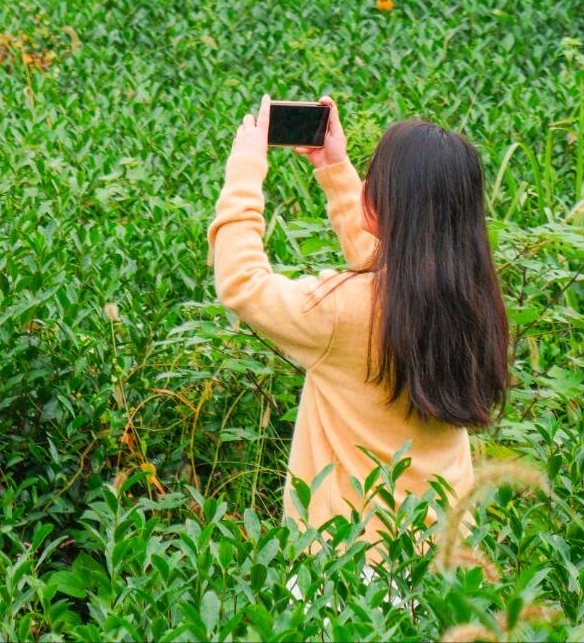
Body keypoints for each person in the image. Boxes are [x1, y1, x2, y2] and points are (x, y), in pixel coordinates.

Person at [209, 95, 508, 534]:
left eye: (374, 176)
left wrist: (245, 174)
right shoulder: (470, 300)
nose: (366, 182)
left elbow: (243, 284)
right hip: (444, 568)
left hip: (347, 573)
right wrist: (334, 169)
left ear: (390, 203)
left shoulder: (342, 311)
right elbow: (392, 264)